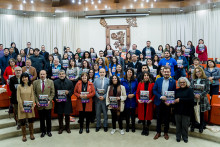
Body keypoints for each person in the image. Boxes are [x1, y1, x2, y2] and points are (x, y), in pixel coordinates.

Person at [153, 66, 176, 140]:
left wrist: (170, 102)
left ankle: (166, 132)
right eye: (165, 71)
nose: (166, 73)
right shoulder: (158, 80)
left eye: (168, 72)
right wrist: (160, 97)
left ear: (170, 73)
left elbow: (174, 92)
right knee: (158, 118)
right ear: (162, 72)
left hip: (168, 103)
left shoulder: (173, 81)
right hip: (159, 102)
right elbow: (154, 90)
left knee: (167, 118)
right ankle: (158, 132)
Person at [33, 70, 55, 137]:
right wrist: (36, 102)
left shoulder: (50, 82)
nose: (42, 75)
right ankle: (43, 131)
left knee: (48, 119)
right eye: (41, 74)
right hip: (39, 105)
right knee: (41, 119)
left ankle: (49, 131)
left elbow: (52, 92)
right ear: (39, 75)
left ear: (46, 75)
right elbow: (34, 93)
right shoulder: (35, 82)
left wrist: (49, 100)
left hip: (48, 104)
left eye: (43, 74)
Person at [173, 77, 194, 143]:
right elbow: (174, 99)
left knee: (185, 125)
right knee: (178, 125)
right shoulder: (177, 90)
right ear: (179, 83)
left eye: (183, 82)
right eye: (180, 82)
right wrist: (173, 101)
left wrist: (180, 100)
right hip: (178, 110)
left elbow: (191, 100)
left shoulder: (190, 90)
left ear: (186, 83)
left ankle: (185, 137)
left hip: (186, 110)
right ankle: (178, 136)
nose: (182, 83)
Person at [191, 67, 210, 133]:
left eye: (199, 71)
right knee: (194, 113)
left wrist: (200, 95)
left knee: (201, 113)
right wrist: (194, 95)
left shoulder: (206, 80)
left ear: (202, 72)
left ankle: (201, 126)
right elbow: (191, 89)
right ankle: (193, 125)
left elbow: (207, 90)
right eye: (196, 72)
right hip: (194, 98)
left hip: (202, 99)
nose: (198, 73)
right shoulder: (193, 80)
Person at [17, 73, 35, 142]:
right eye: (23, 77)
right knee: (23, 121)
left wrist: (32, 105)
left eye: (26, 77)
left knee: (31, 120)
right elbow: (18, 97)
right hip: (22, 106)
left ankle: (31, 134)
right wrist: (21, 107)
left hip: (29, 106)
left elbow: (32, 96)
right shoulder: (19, 86)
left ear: (28, 78)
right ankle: (24, 135)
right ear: (21, 78)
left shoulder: (31, 86)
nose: (25, 79)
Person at [136, 72, 155, 136]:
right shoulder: (140, 83)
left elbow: (154, 94)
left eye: (147, 75)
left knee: (148, 116)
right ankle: (143, 128)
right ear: (143, 76)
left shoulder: (152, 84)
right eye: (145, 75)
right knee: (143, 115)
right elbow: (137, 93)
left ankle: (147, 129)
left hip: (149, 103)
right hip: (141, 103)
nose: (146, 77)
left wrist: (151, 100)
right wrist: (138, 99)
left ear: (149, 76)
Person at [121, 68, 138, 132]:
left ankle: (133, 126)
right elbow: (122, 89)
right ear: (126, 73)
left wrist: (133, 94)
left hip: (133, 99)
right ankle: (127, 126)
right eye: (128, 72)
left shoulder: (135, 80)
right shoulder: (123, 81)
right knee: (127, 114)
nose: (129, 73)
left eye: (131, 72)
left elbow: (137, 89)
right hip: (126, 99)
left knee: (133, 114)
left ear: (132, 73)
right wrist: (127, 94)